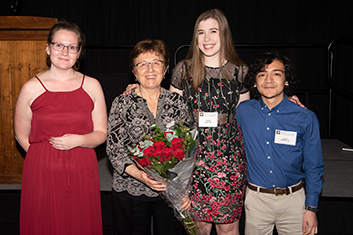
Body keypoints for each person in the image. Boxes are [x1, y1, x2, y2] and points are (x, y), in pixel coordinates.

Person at [14, 20, 107, 235]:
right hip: (41, 171)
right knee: (43, 224)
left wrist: (79, 141)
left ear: (79, 52)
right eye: (59, 45)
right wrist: (46, 158)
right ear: (48, 48)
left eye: (72, 47)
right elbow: (21, 135)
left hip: (82, 167)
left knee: (80, 224)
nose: (65, 52)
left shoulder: (92, 85)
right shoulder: (30, 88)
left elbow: (102, 133)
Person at [169, 9, 248, 235]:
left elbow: (248, 117)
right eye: (201, 33)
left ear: (223, 34)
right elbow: (171, 118)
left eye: (213, 31)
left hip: (229, 161)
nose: (207, 39)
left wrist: (288, 100)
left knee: (228, 228)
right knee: (199, 228)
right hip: (194, 163)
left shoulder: (240, 72)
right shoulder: (183, 70)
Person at [106, 39, 192, 235]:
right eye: (142, 64)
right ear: (134, 72)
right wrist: (142, 176)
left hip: (170, 191)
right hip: (131, 189)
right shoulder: (121, 103)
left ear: (166, 68)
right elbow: (114, 149)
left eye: (156, 62)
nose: (150, 69)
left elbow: (188, 147)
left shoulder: (178, 102)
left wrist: (186, 189)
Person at [236, 52, 324, 235]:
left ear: (286, 80)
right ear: (254, 82)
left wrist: (312, 208)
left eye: (276, 73)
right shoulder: (243, 112)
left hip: (294, 202)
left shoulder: (305, 118)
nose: (268, 80)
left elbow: (314, 167)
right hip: (256, 201)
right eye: (261, 74)